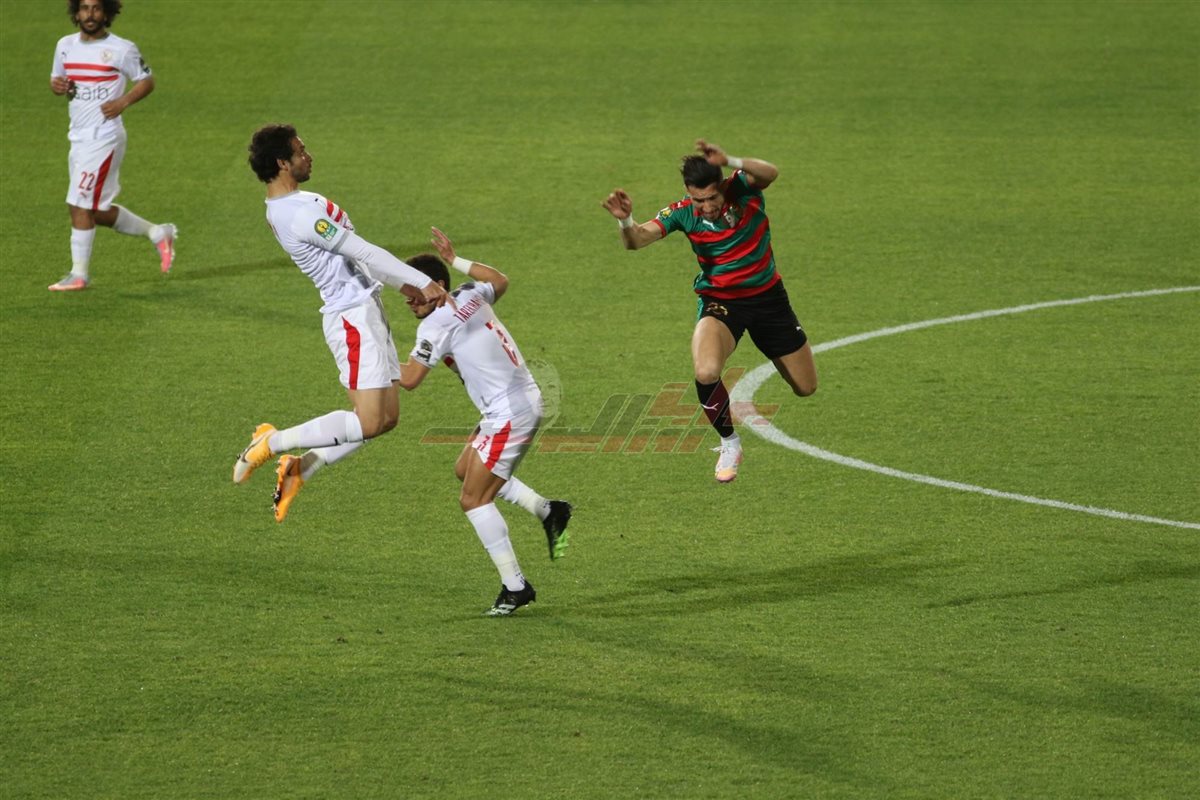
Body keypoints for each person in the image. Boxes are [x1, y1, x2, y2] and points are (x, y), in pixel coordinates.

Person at [237, 124, 449, 522]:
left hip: (368, 308)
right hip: (351, 317)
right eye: (301, 151)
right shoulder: (297, 216)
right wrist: (421, 281)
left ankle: (299, 469)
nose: (309, 156)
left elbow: (356, 258)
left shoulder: (301, 202)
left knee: (386, 420)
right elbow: (362, 249)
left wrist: (403, 286)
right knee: (368, 420)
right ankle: (271, 442)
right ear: (282, 163)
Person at [602, 139, 818, 483]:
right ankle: (729, 443)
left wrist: (730, 159)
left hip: (769, 301)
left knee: (806, 387)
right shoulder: (682, 212)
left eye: (711, 198)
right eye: (698, 200)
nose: (705, 207)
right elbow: (637, 240)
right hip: (722, 302)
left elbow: (770, 172)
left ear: (721, 186)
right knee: (705, 371)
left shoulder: (742, 189)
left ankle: (772, 347)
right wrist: (626, 220)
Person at [399, 228, 572, 616]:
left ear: (435, 286)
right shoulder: (469, 295)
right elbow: (499, 280)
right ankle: (548, 510)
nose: (408, 300)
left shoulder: (434, 326)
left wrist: (368, 364)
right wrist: (456, 259)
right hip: (515, 403)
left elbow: (409, 379)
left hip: (510, 413)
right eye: (405, 294)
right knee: (465, 470)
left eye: (413, 292)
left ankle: (515, 586)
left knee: (473, 499)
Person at [48, 0, 176, 291]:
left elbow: (147, 80)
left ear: (106, 12)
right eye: (84, 8)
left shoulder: (121, 48)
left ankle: (79, 275)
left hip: (104, 137)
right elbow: (59, 81)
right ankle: (158, 233)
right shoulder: (65, 46)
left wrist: (123, 102)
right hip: (77, 137)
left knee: (78, 204)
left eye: (96, 8)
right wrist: (59, 86)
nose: (90, 14)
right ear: (76, 12)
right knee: (93, 210)